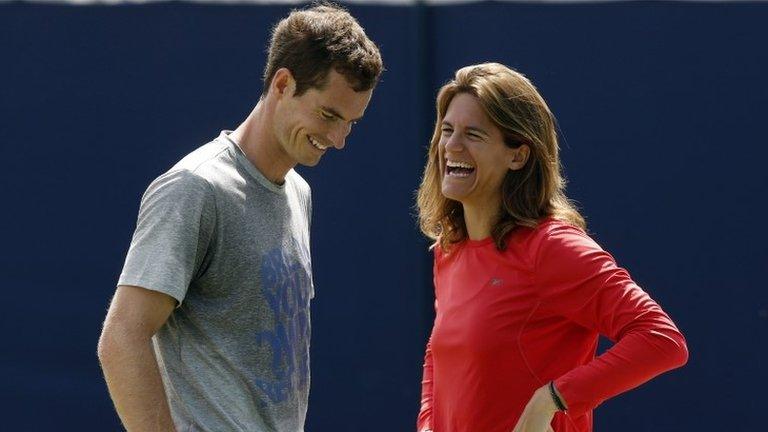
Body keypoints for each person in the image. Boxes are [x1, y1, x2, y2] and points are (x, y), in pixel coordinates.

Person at [96, 4, 383, 431]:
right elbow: (121, 338)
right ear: (283, 84)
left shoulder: (299, 193)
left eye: (351, 124)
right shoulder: (194, 188)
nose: (338, 139)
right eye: (328, 115)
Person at [415, 63, 688, 432]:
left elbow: (661, 338)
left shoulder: (552, 247)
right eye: (447, 130)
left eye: (473, 134)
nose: (451, 146)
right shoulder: (449, 250)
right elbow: (440, 355)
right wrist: (429, 422)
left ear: (518, 156)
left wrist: (553, 399)